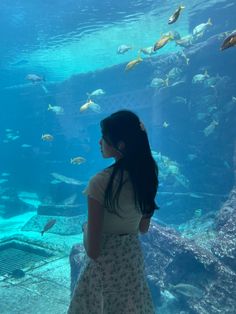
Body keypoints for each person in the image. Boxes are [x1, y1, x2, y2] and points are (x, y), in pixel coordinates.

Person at [67, 110, 159, 314]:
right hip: (131, 265)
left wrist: (85, 228)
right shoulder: (147, 175)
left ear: (121, 144)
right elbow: (143, 228)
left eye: (104, 137)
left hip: (103, 272)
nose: (100, 142)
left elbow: (93, 250)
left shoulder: (99, 183)